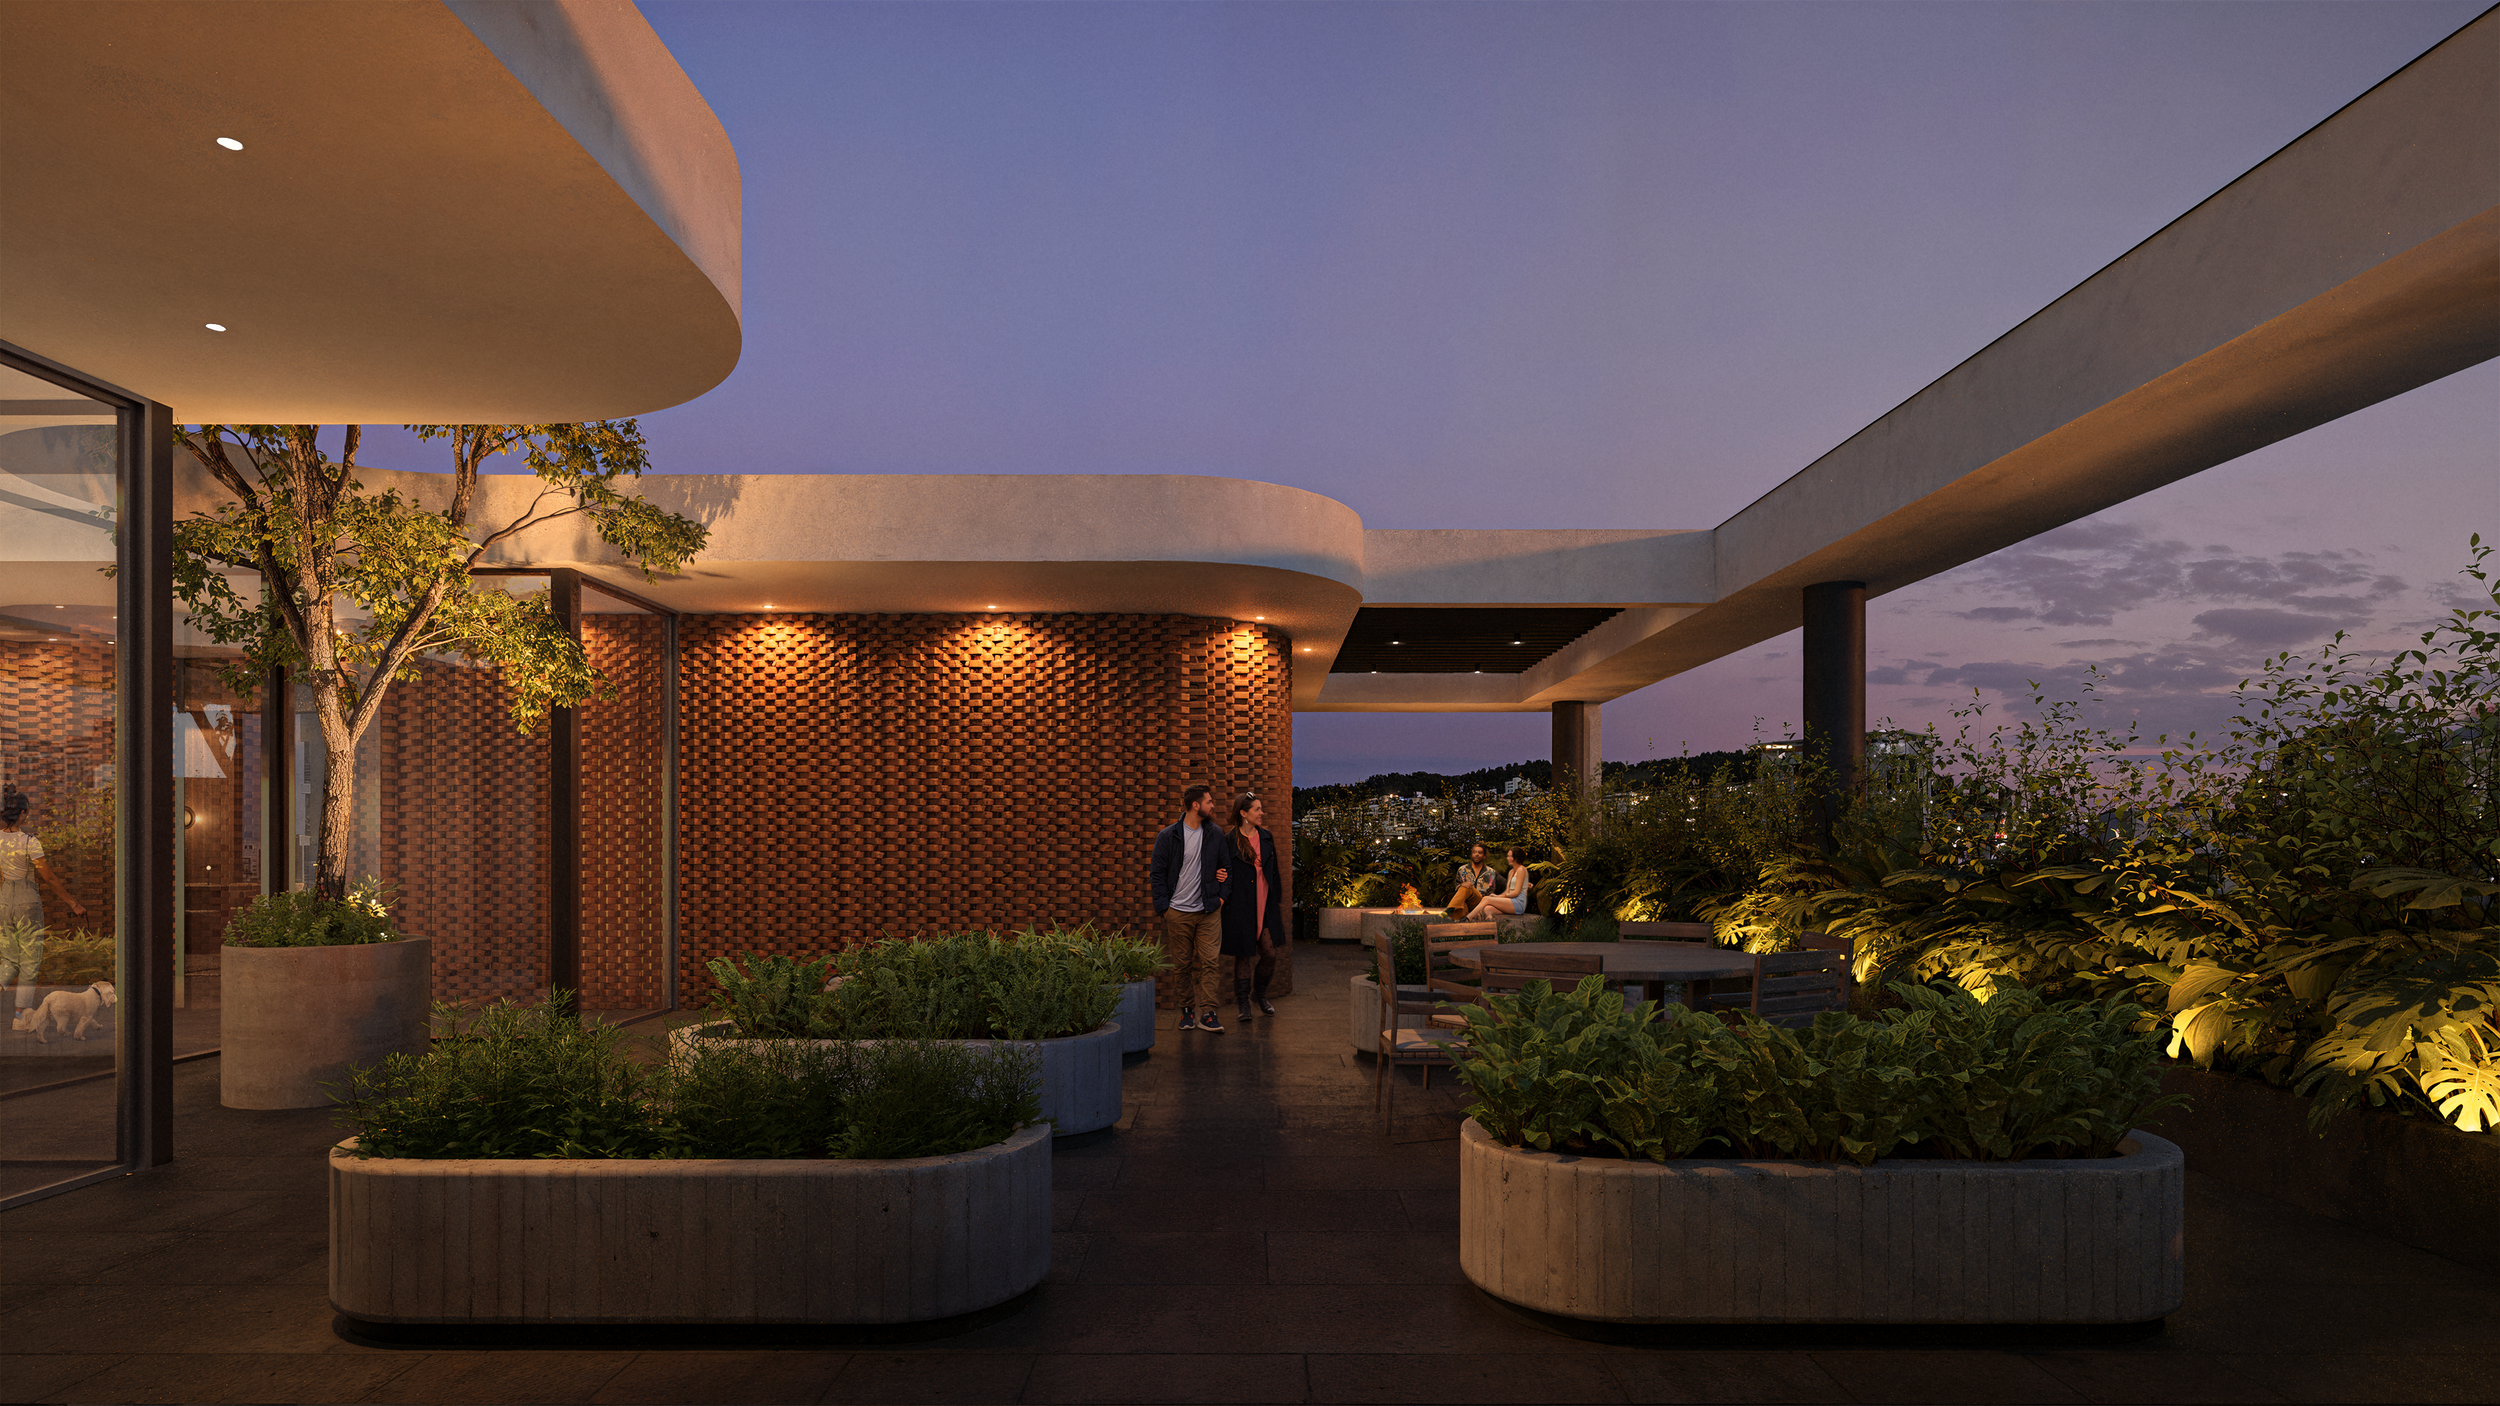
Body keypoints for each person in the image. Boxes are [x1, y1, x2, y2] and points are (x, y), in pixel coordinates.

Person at [1148, 784, 1232, 1032]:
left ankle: (1208, 1013)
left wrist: (1221, 899)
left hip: (1208, 910)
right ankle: (1187, 1011)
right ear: (1196, 805)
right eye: (1209, 801)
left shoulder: (1215, 833)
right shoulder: (1168, 836)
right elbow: (1157, 874)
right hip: (1177, 912)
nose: (1212, 805)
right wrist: (1164, 908)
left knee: (1210, 962)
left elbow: (1227, 869)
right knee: (1182, 964)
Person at [2, 792, 87, 1032]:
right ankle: (20, 1018)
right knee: (29, 963)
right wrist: (73, 903)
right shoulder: (30, 842)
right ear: (22, 813)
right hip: (27, 900)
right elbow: (48, 877)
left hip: (4, 900)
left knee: (8, 960)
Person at [1219, 791, 1283, 1022]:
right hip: (1240, 906)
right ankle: (1243, 1004)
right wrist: (1219, 876)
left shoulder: (1266, 837)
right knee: (1243, 956)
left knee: (1270, 954)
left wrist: (1276, 897)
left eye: (1261, 808)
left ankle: (1260, 994)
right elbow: (1222, 868)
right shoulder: (1229, 840)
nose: (1261, 813)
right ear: (1243, 813)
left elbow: (1273, 871)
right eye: (1257, 809)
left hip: (1264, 906)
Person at [1464, 847, 1533, 921]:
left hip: (1518, 903)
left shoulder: (1521, 869)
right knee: (1487, 909)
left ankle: (1468, 918)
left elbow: (1516, 893)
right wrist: (1496, 896)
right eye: (1507, 856)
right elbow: (1507, 891)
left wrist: (1498, 897)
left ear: (1516, 858)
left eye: (1510, 856)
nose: (1508, 858)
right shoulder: (1511, 872)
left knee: (1486, 899)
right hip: (1510, 901)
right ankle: (1491, 927)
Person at [1449, 842, 1500, 916]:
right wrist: (1462, 885)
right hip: (1466, 902)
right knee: (1460, 911)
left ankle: (1446, 914)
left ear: (1484, 856)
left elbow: (1491, 891)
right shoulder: (1462, 870)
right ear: (1472, 855)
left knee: (1468, 887)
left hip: (1481, 902)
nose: (1477, 854)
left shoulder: (1490, 872)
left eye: (1480, 853)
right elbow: (1457, 889)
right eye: (1474, 852)